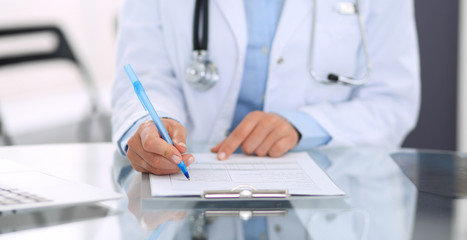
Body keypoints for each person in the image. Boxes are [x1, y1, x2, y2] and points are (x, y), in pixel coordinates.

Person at [112, 0, 420, 175]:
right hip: (191, 190)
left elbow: (391, 102)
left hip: (331, 195)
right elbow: (145, 74)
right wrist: (149, 124)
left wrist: (303, 126)